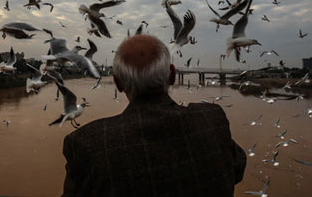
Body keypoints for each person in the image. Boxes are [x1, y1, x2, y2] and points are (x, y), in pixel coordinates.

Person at [62, 35, 246, 197]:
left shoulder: (88, 143)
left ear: (118, 83)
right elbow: (235, 169)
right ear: (172, 75)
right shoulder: (211, 120)